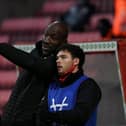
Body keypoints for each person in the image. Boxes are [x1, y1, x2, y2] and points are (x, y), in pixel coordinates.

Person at [0, 21, 68, 126]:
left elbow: (35, 64)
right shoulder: (36, 53)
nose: (46, 40)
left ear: (63, 42)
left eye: (53, 37)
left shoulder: (58, 63)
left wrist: (2, 47)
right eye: (45, 35)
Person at [36, 43, 102, 126]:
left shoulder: (88, 85)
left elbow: (80, 116)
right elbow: (41, 117)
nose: (58, 61)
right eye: (57, 58)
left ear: (76, 61)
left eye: (63, 57)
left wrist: (50, 116)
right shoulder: (51, 87)